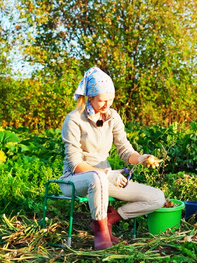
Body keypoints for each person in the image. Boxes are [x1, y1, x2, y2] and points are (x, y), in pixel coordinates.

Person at [59, 67, 166, 250]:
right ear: (90, 96)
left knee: (157, 197)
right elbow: (76, 164)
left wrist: (141, 158)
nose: (107, 104)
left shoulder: (112, 116)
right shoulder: (74, 120)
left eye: (111, 99)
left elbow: (124, 150)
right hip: (75, 180)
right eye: (102, 100)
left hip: (105, 178)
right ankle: (101, 233)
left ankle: (108, 220)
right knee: (97, 177)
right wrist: (107, 174)